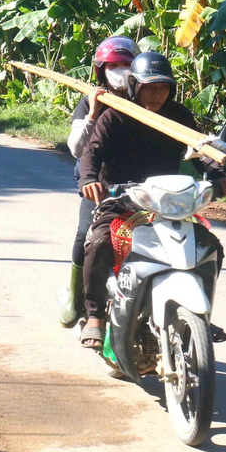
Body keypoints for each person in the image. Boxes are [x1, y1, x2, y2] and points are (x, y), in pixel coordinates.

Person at [77, 51, 226, 349]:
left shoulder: (179, 116)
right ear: (135, 85)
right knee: (99, 243)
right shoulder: (114, 113)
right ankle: (95, 315)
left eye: (163, 87)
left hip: (169, 200)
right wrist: (89, 181)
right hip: (122, 199)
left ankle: (200, 313)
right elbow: (92, 152)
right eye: (150, 87)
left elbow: (200, 150)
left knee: (209, 247)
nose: (157, 94)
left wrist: (220, 176)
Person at [58, 36, 139, 328]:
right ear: (100, 69)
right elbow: (76, 148)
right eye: (113, 66)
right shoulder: (89, 101)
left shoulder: (147, 99)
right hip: (99, 183)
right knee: (85, 235)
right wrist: (93, 112)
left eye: (126, 65)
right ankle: (78, 299)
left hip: (139, 183)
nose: (120, 70)